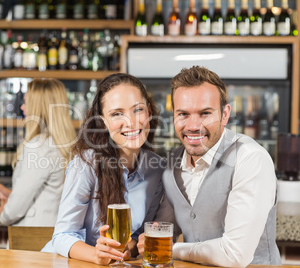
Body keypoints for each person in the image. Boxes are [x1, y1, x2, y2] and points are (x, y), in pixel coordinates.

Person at [138, 66, 281, 267]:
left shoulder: (250, 158)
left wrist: (172, 249)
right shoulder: (173, 162)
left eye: (205, 113)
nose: (194, 125)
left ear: (225, 114)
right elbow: (163, 230)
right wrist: (136, 244)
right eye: (183, 114)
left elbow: (235, 255)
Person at [42, 73, 166, 265]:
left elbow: (136, 237)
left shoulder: (157, 169)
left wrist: (130, 248)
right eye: (117, 114)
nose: (131, 122)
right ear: (103, 122)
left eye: (138, 110)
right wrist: (97, 255)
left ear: (149, 112)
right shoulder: (86, 164)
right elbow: (63, 236)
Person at [0, 78, 76, 227]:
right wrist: (9, 193)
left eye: (26, 103)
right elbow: (46, 195)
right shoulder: (64, 143)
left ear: (39, 108)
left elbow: (18, 205)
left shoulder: (39, 146)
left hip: (32, 237)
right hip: (54, 233)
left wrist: (5, 215)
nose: (22, 107)